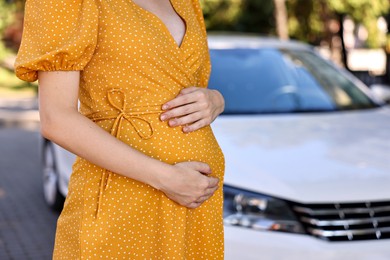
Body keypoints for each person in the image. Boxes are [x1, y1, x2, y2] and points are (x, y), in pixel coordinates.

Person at [15, 0, 225, 259]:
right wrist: (168, 179)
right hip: (125, 196)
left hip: (196, 201)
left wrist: (215, 99)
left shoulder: (186, 2)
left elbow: (181, 83)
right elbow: (56, 118)